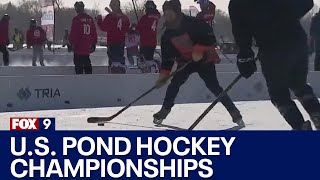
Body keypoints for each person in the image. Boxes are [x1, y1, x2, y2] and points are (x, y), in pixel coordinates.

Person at [229, 0, 320, 130]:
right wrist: (286, 16)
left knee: (279, 95)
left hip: (272, 49)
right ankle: (317, 115)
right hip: (296, 41)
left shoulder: (238, 3)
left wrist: (245, 56)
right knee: (299, 85)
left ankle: (301, 128)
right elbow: (307, 3)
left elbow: (240, 32)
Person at [153, 0, 244, 127]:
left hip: (204, 60)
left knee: (214, 86)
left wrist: (200, 49)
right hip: (186, 62)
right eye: (165, 13)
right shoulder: (167, 35)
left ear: (177, 11)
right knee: (174, 85)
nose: (167, 16)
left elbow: (211, 39)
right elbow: (167, 59)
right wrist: (163, 76)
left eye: (170, 12)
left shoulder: (193, 23)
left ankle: (235, 113)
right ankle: (164, 111)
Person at [96, 0, 130, 74]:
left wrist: (99, 20)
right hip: (121, 41)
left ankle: (114, 75)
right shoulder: (124, 17)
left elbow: (103, 27)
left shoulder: (110, 17)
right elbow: (127, 28)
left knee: (113, 60)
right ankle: (121, 71)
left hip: (112, 41)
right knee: (120, 58)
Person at [69, 1, 97, 74]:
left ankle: (80, 82)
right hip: (87, 45)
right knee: (87, 63)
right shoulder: (89, 19)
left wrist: (72, 43)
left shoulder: (77, 19)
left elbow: (74, 33)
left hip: (79, 46)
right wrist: (94, 43)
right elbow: (94, 32)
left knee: (78, 66)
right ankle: (89, 80)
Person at [137, 0, 161, 69]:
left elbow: (139, 28)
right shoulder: (158, 17)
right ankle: (151, 68)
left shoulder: (144, 18)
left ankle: (149, 69)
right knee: (149, 58)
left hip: (145, 41)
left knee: (143, 59)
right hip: (153, 41)